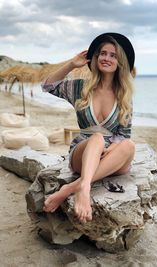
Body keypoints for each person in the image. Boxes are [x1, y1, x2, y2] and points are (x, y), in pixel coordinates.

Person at [42, 32, 135, 223]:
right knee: (97, 138)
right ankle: (84, 189)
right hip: (83, 153)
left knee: (130, 146)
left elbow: (123, 135)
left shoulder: (124, 95)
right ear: (96, 57)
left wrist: (109, 150)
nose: (106, 58)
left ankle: (72, 187)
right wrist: (71, 64)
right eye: (103, 53)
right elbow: (47, 86)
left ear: (120, 62)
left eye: (113, 55)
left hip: (111, 157)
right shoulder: (80, 88)